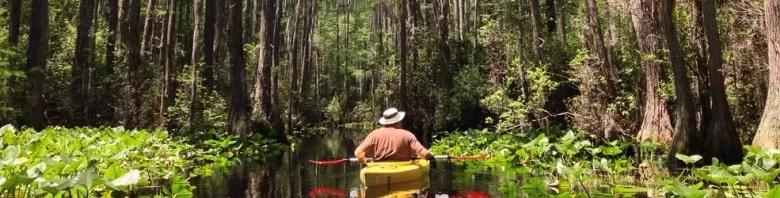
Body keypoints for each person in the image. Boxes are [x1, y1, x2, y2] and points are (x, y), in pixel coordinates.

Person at [354, 108, 436, 166]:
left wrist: (364, 161)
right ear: (398, 120)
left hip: (380, 168)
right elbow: (422, 152)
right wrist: (431, 157)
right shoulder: (407, 135)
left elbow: (358, 152)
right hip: (403, 168)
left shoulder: (374, 134)